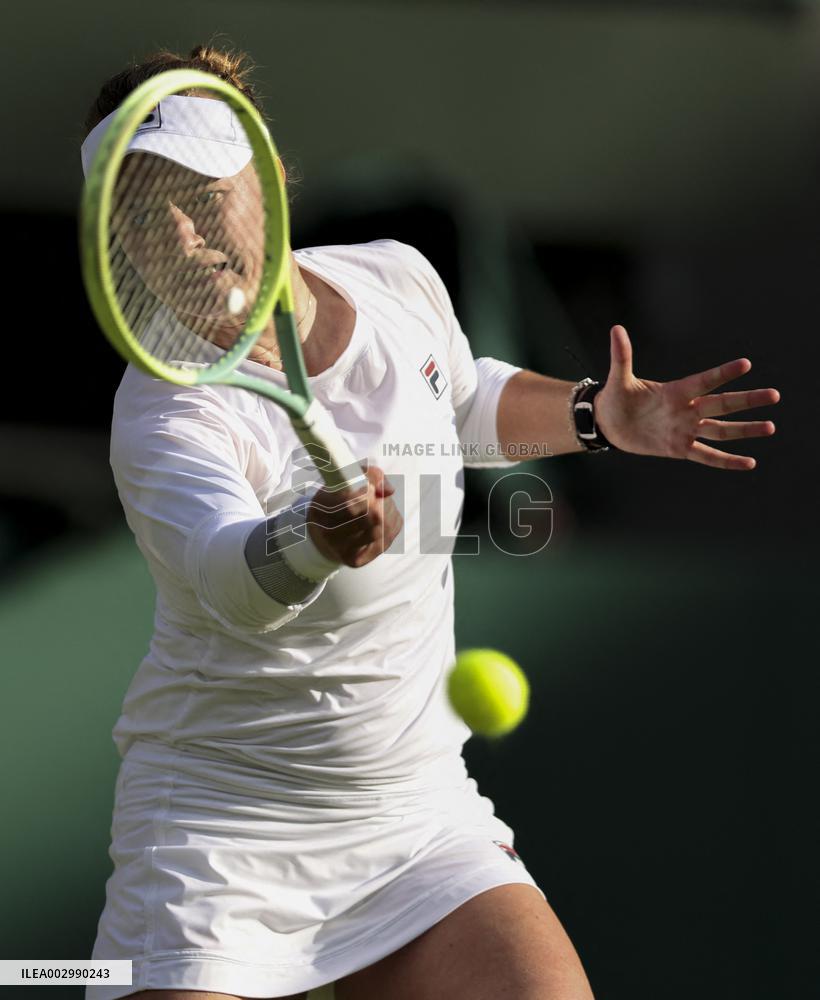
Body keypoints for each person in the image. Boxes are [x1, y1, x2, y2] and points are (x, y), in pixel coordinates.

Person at [81, 45, 780, 1000]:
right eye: (139, 210)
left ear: (270, 179)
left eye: (198, 191)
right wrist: (314, 541)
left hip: (412, 814)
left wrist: (596, 416)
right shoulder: (164, 410)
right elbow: (226, 580)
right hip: (223, 831)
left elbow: (456, 397)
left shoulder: (393, 278)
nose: (178, 232)